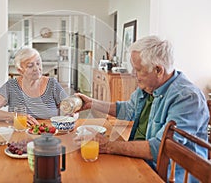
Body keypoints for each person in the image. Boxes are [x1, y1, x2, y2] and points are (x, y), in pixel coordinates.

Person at [76, 36, 209, 182]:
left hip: (168, 176)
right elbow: (128, 109)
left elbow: (160, 148)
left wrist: (108, 146)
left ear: (158, 70)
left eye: (138, 69)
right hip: (141, 161)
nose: (133, 74)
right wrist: (91, 103)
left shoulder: (187, 98)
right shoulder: (149, 87)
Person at [0, 47, 69, 124]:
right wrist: (16, 116)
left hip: (49, 135)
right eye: (30, 66)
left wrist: (71, 113)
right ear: (20, 70)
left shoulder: (52, 84)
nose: (36, 68)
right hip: (19, 135)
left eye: (38, 63)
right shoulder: (11, 86)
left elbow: (70, 108)